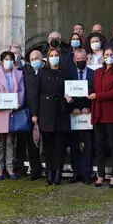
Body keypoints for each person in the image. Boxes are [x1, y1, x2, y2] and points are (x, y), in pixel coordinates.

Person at [33, 46, 70, 185]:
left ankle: (58, 172)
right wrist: (35, 114)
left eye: (56, 55)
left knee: (60, 146)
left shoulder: (65, 72)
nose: (54, 57)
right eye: (51, 55)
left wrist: (70, 99)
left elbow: (70, 90)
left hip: (61, 112)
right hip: (46, 113)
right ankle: (49, 172)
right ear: (47, 58)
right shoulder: (42, 73)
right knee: (48, 146)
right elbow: (36, 94)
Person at [89, 46, 113, 188]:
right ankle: (100, 175)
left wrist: (97, 96)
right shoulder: (97, 72)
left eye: (111, 54)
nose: (109, 56)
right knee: (99, 146)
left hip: (112, 113)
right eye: (106, 54)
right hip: (98, 113)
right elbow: (92, 88)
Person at [0, 50, 25, 180]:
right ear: (1, 61)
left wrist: (19, 103)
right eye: (6, 59)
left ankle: (10, 166)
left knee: (10, 141)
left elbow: (21, 91)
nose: (8, 62)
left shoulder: (18, 74)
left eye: (11, 59)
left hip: (12, 111)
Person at [66, 47, 94, 183]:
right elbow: (65, 94)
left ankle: (87, 174)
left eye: (83, 59)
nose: (81, 61)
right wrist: (73, 107)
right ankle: (76, 173)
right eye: (78, 60)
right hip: (74, 114)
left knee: (89, 146)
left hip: (88, 115)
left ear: (87, 59)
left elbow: (96, 93)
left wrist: (88, 108)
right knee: (74, 145)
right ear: (74, 60)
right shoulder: (69, 73)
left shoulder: (94, 74)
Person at [22, 46, 46, 180]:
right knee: (31, 144)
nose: (35, 61)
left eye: (37, 58)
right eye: (32, 59)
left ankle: (50, 169)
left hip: (45, 111)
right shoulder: (26, 72)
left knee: (48, 143)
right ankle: (35, 170)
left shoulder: (47, 71)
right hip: (30, 112)